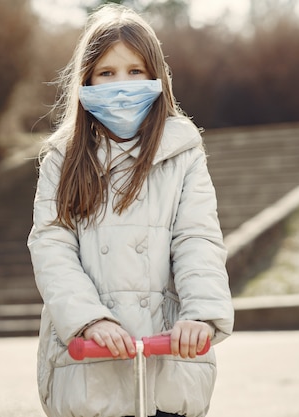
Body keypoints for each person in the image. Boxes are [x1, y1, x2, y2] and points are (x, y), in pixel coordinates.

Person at [27, 4, 235, 417]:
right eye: (106, 73)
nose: (121, 84)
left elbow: (197, 238)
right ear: (86, 81)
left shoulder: (183, 153)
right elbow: (52, 246)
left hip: (168, 356)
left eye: (135, 71)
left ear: (156, 77)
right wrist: (88, 320)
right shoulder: (62, 159)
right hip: (89, 362)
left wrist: (200, 315)